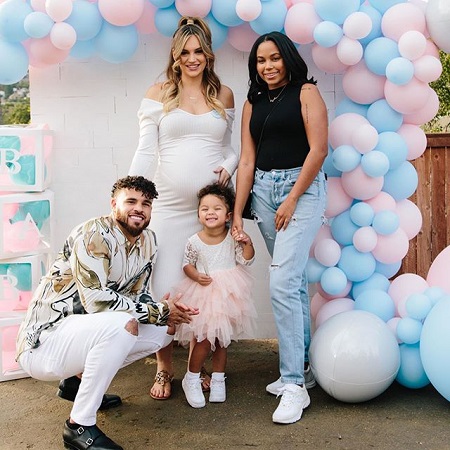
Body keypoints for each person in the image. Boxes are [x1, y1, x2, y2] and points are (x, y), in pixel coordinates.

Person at [16, 176, 198, 450]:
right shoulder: (94, 234)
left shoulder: (148, 240)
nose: (139, 209)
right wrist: (159, 310)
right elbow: (96, 301)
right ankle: (79, 425)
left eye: (146, 204)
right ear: (114, 205)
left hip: (80, 337)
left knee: (165, 331)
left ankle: (77, 382)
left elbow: (138, 294)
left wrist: (168, 311)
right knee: (123, 324)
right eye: (131, 201)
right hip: (45, 342)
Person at [128, 16, 238, 400]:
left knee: (207, 288)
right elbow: (145, 150)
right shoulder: (158, 93)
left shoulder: (223, 95)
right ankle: (163, 368)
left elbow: (230, 148)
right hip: (171, 208)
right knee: (164, 286)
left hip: (208, 212)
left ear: (208, 55)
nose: (193, 59)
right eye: (185, 53)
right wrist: (130, 196)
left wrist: (231, 166)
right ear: (175, 56)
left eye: (199, 52)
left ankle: (200, 365)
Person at [231, 32, 328, 425]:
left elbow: (318, 150)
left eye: (274, 59)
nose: (268, 66)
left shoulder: (307, 93)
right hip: (264, 193)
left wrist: (291, 199)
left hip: (300, 190)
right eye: (260, 61)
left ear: (287, 59)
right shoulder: (253, 102)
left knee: (282, 282)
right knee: (293, 282)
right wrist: (238, 213)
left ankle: (292, 386)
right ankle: (303, 370)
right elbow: (246, 162)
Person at [175, 183, 257, 408]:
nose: (210, 212)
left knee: (222, 340)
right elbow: (186, 264)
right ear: (198, 213)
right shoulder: (194, 240)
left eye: (217, 208)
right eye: (204, 208)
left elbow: (246, 259)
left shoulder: (232, 238)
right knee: (202, 340)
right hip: (204, 295)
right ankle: (192, 378)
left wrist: (247, 243)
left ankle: (219, 377)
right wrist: (195, 275)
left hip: (229, 294)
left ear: (228, 214)